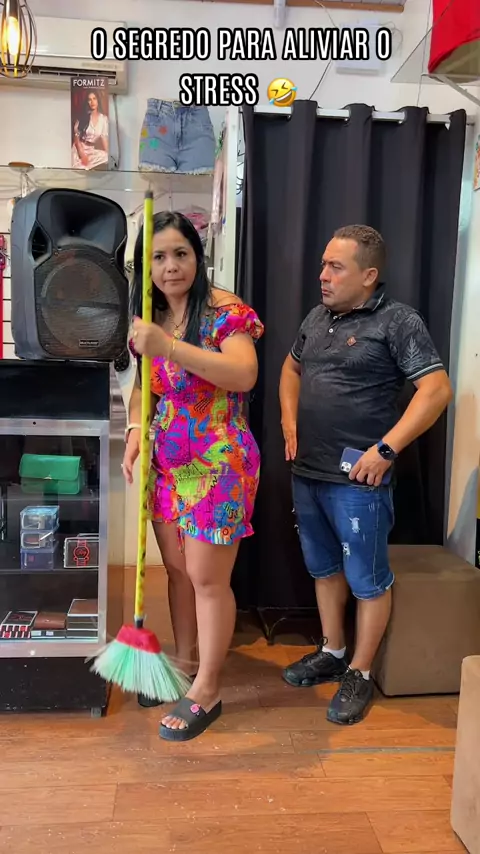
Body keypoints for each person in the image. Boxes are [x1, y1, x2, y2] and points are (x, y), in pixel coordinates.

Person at [279, 224, 453, 725]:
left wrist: (386, 449)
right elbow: (291, 369)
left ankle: (360, 670)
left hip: (359, 483)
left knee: (367, 580)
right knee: (323, 568)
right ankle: (333, 651)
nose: (323, 275)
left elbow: (437, 390)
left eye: (336, 267)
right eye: (323, 264)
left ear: (369, 275)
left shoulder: (398, 321)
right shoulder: (317, 317)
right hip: (308, 471)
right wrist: (289, 420)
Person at [123, 211, 264, 741]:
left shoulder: (224, 311)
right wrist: (136, 429)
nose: (170, 266)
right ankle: (184, 663)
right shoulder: (151, 315)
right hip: (167, 464)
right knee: (178, 572)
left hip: (219, 463)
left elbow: (244, 374)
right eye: (158, 257)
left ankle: (207, 688)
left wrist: (169, 346)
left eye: (180, 253)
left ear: (198, 257)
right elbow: (146, 386)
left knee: (207, 579)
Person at [71, 90, 109, 170]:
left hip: (91, 151)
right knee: (81, 167)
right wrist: (82, 154)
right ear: (87, 102)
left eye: (94, 99)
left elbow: (104, 139)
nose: (92, 102)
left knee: (106, 157)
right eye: (89, 99)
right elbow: (76, 137)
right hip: (80, 148)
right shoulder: (83, 116)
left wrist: (110, 155)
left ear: (98, 100)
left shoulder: (103, 119)